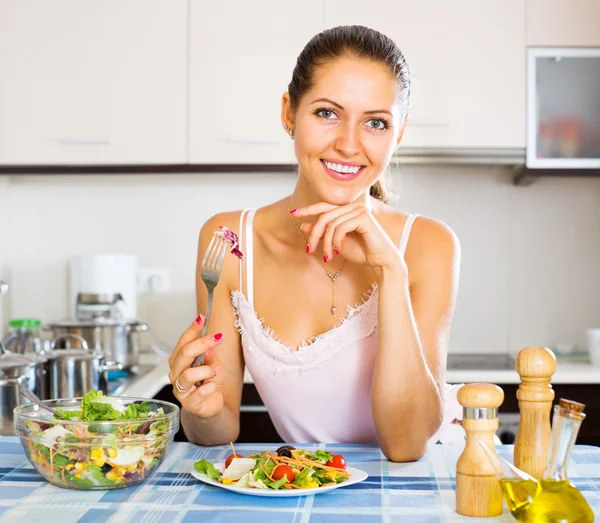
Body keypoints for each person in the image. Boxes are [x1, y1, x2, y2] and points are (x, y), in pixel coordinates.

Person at [168, 25, 462, 462]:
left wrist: (391, 272)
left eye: (376, 123)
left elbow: (405, 447)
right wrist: (198, 409)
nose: (348, 144)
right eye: (327, 113)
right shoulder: (229, 243)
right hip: (312, 487)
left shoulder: (428, 244)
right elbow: (217, 429)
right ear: (289, 112)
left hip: (426, 481)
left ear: (398, 134)